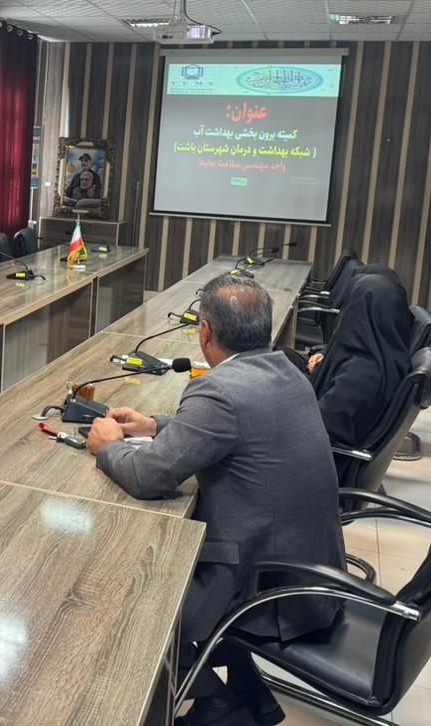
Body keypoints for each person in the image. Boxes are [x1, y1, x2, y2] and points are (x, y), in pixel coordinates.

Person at [85, 274, 345, 725]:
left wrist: (109, 446)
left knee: (126, 592)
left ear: (205, 332)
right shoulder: (288, 369)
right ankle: (248, 690)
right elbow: (236, 427)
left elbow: (148, 476)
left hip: (264, 590)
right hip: (309, 573)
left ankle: (216, 702)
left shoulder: (220, 391)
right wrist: (154, 425)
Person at [306, 272, 412, 477]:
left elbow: (316, 426)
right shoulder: (385, 356)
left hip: (321, 467)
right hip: (323, 452)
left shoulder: (363, 376)